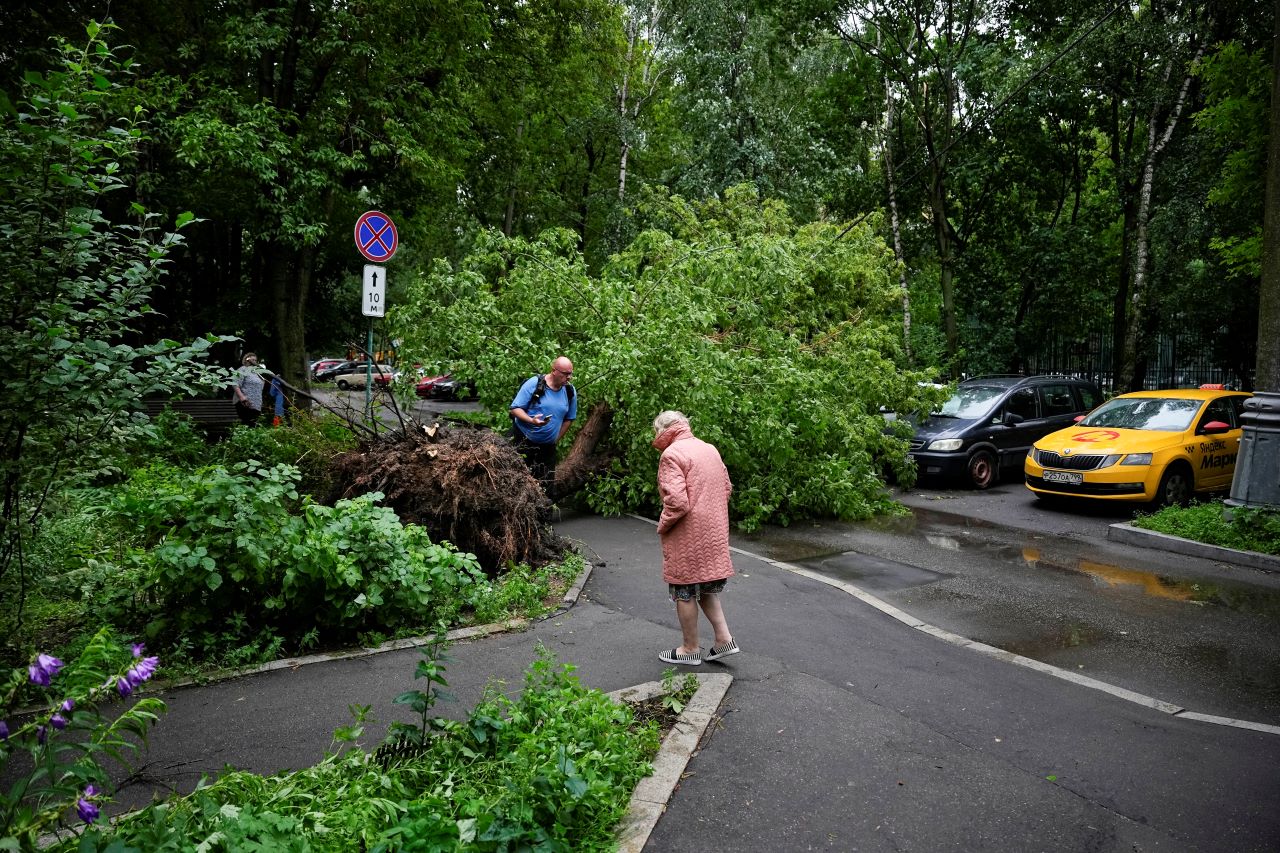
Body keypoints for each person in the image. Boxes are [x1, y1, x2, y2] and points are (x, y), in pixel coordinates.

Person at [651, 410, 739, 666]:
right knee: (707, 584)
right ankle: (724, 640)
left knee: (684, 590)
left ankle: (690, 649)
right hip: (714, 530)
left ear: (663, 430)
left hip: (688, 534)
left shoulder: (672, 454)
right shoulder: (708, 448)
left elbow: (677, 503)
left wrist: (664, 523)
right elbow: (727, 488)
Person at [509, 356, 577, 495]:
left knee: (546, 490)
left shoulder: (570, 391)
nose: (569, 377)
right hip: (523, 441)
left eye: (570, 373)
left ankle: (544, 516)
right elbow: (514, 408)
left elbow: (569, 419)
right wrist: (531, 420)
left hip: (547, 448)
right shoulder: (534, 384)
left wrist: (555, 439)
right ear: (554, 371)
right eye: (565, 374)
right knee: (517, 483)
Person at [234, 352, 265, 426]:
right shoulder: (242, 369)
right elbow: (235, 384)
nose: (253, 361)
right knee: (247, 424)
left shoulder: (257, 373)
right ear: (246, 360)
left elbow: (261, 385)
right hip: (245, 402)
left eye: (255, 360)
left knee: (254, 425)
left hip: (256, 403)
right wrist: (242, 397)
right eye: (252, 360)